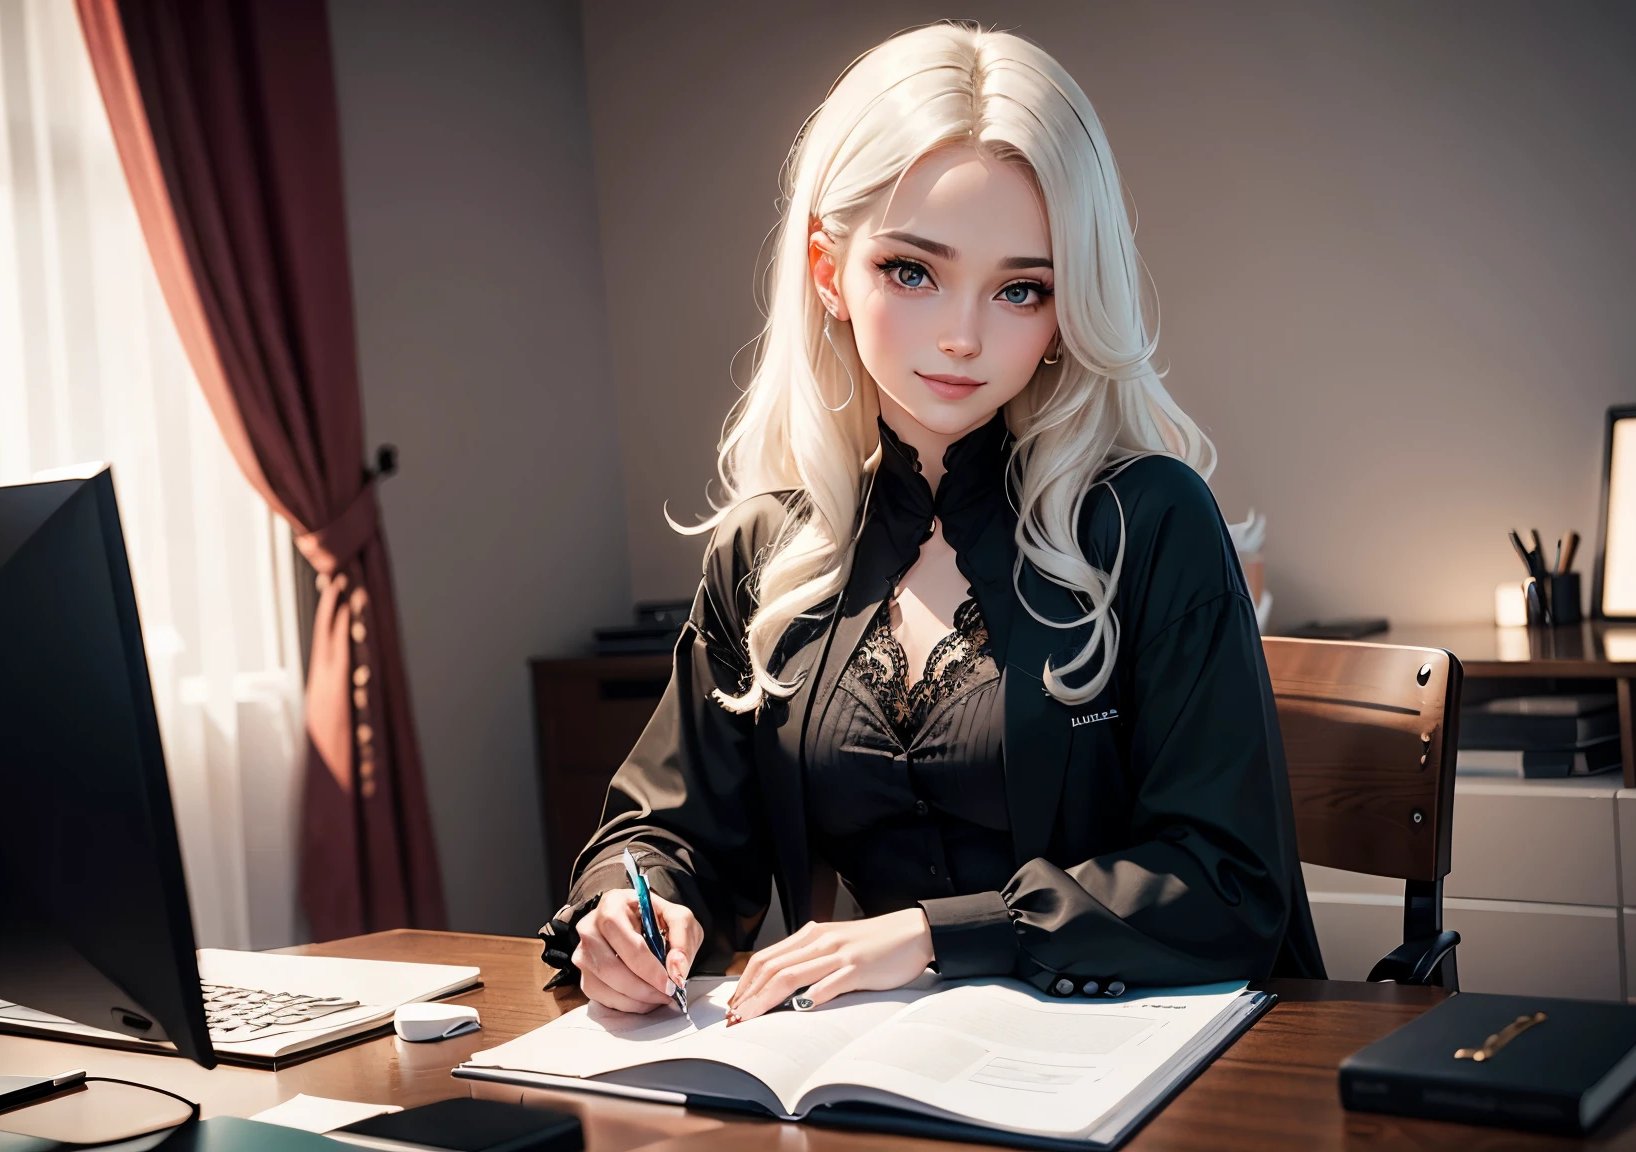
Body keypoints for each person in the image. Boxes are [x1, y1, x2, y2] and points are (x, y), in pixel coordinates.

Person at [538, 21, 1324, 1022]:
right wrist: (627, 908)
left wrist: (930, 934)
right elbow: (676, 831)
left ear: (1064, 306)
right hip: (878, 1087)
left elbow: (1226, 886)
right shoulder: (767, 554)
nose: (961, 335)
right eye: (912, 271)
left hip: (1152, 1080)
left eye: (1020, 288)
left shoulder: (1151, 522)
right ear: (830, 274)